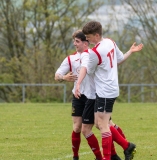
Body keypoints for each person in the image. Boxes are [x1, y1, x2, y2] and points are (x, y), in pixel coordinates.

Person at [74, 21, 143, 160]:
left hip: (104, 91)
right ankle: (123, 148)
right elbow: (119, 59)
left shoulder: (95, 52)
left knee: (103, 125)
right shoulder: (110, 42)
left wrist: (80, 72)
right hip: (110, 89)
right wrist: (130, 51)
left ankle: (111, 156)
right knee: (101, 123)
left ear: (96, 35)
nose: (87, 39)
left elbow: (90, 71)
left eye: (88, 36)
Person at [55, 30, 103, 160]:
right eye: (74, 41)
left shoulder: (93, 56)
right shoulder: (70, 59)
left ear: (86, 42)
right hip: (78, 96)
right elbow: (57, 75)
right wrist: (64, 77)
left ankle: (107, 154)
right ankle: (75, 157)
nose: (74, 44)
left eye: (77, 41)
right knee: (77, 127)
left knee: (100, 126)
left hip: (93, 96)